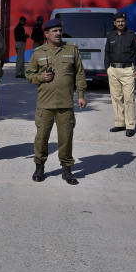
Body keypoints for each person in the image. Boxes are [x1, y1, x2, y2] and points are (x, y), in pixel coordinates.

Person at [26, 18, 86, 185]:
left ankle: (67, 170)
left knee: (66, 138)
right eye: (54, 31)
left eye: (60, 30)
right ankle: (39, 167)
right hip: (45, 104)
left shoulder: (71, 50)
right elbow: (29, 74)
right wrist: (40, 77)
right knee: (41, 137)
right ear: (46, 34)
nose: (58, 33)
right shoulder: (38, 52)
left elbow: (79, 74)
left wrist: (80, 94)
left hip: (65, 104)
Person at [104, 12, 136, 137]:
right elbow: (107, 52)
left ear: (125, 22)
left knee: (129, 99)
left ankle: (130, 125)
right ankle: (120, 123)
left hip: (127, 71)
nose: (120, 23)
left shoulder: (132, 35)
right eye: (118, 21)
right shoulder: (110, 35)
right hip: (113, 70)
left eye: (122, 21)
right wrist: (107, 68)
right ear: (114, 23)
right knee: (116, 98)